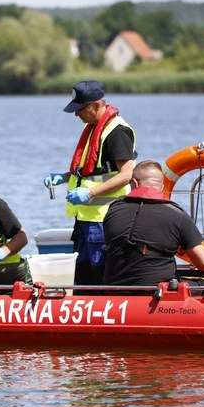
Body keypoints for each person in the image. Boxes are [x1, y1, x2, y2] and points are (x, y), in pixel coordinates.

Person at [44, 80, 137, 285]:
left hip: (104, 219)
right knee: (83, 270)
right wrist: (62, 177)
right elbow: (92, 171)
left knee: (100, 271)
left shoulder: (117, 131)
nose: (77, 115)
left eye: (80, 109)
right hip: (85, 218)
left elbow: (125, 175)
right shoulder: (94, 127)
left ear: (96, 105)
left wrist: (90, 193)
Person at [102, 160, 204, 286]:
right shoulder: (177, 215)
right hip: (158, 292)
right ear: (162, 188)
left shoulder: (113, 209)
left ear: (134, 183)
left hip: (114, 288)